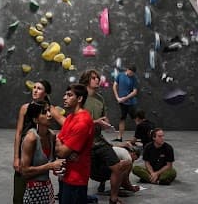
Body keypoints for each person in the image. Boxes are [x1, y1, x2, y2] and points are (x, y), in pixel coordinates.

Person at [79, 69, 133, 203]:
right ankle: (81, 195)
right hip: (84, 142)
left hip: (99, 140)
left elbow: (104, 118)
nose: (97, 80)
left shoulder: (100, 99)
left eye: (98, 77)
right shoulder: (80, 98)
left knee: (118, 166)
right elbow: (76, 122)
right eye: (94, 78)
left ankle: (113, 198)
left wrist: (106, 124)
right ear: (87, 80)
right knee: (84, 171)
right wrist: (95, 122)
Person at [13, 80, 63, 204]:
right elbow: (18, 133)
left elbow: (64, 122)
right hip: (26, 148)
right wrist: (16, 157)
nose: (35, 90)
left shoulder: (49, 109)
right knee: (20, 189)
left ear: (45, 93)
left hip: (40, 149)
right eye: (34, 87)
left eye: (39, 88)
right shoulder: (25, 108)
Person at [20, 100, 66, 204]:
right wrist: (50, 166)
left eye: (49, 111)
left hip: (47, 188)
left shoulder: (52, 136)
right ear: (36, 119)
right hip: (33, 191)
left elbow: (52, 162)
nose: (50, 115)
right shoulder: (31, 138)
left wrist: (58, 170)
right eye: (44, 113)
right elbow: (24, 171)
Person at [55, 84, 94, 204]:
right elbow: (60, 143)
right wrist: (63, 148)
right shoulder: (71, 116)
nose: (64, 97)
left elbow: (61, 151)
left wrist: (61, 147)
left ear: (80, 99)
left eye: (69, 95)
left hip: (76, 178)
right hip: (66, 173)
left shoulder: (82, 122)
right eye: (65, 94)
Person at [112, 65, 138, 142]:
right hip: (121, 103)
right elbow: (114, 86)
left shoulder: (134, 79)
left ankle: (140, 136)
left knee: (136, 120)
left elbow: (135, 92)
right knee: (122, 119)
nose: (131, 74)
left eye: (133, 73)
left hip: (131, 103)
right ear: (128, 69)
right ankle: (119, 137)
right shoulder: (120, 75)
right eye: (131, 72)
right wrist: (117, 98)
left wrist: (125, 98)